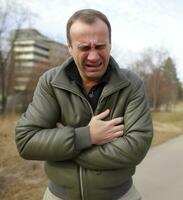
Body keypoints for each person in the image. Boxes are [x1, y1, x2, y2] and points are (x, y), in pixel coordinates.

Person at [15, 9, 153, 200]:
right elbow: (26, 142)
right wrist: (86, 136)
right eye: (84, 48)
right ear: (70, 48)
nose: (94, 56)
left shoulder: (132, 84)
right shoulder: (50, 82)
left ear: (110, 45)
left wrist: (66, 147)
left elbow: (135, 148)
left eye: (100, 46)